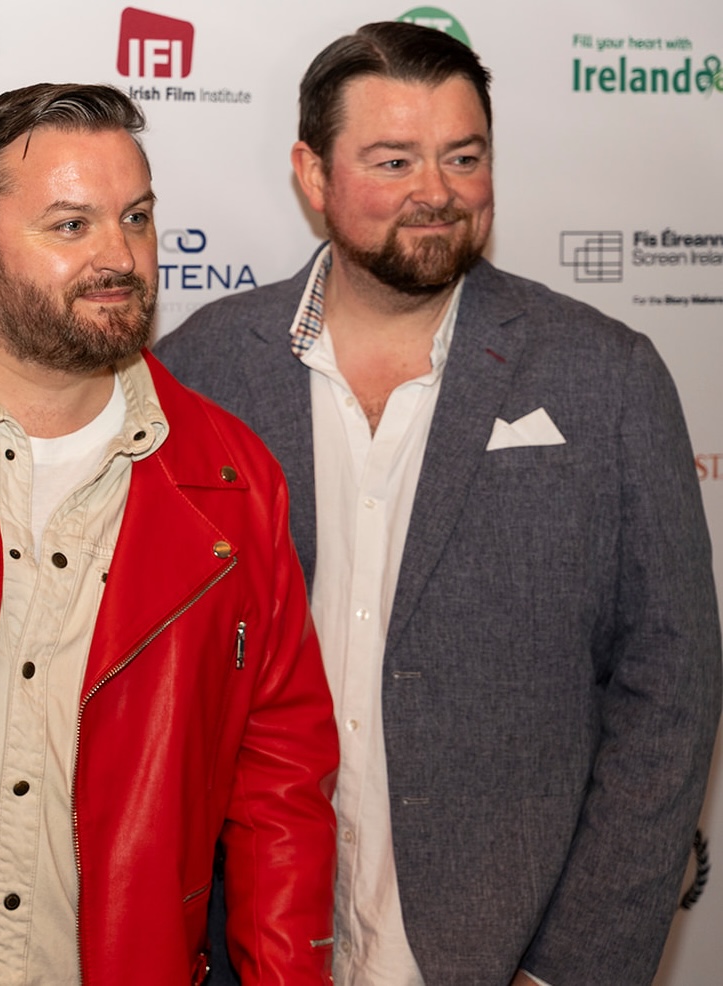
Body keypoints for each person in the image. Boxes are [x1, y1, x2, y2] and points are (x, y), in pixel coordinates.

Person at [155, 20, 722, 986]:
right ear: (312, 173)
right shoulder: (199, 371)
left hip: (497, 952)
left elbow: (671, 690)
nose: (437, 191)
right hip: (252, 945)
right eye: (393, 160)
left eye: (463, 157)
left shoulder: (605, 375)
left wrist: (571, 970)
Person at [0, 83, 338, 984]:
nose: (120, 256)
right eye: (71, 225)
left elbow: (281, 786)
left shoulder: (230, 479)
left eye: (135, 217)